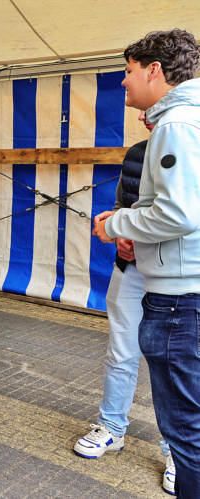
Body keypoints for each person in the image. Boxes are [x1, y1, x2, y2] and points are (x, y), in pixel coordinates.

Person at [92, 29, 200, 498]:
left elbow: (178, 213)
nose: (123, 81)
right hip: (178, 289)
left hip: (178, 298)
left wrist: (118, 223)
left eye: (129, 70)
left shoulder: (177, 126)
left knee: (184, 427)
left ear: (155, 70)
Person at [75, 112, 174, 495]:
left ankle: (178, 451)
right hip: (130, 270)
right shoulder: (136, 153)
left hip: (176, 276)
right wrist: (122, 235)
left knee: (174, 362)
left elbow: (183, 217)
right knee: (120, 352)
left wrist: (139, 235)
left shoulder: (190, 146)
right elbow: (124, 207)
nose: (144, 115)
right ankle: (112, 427)